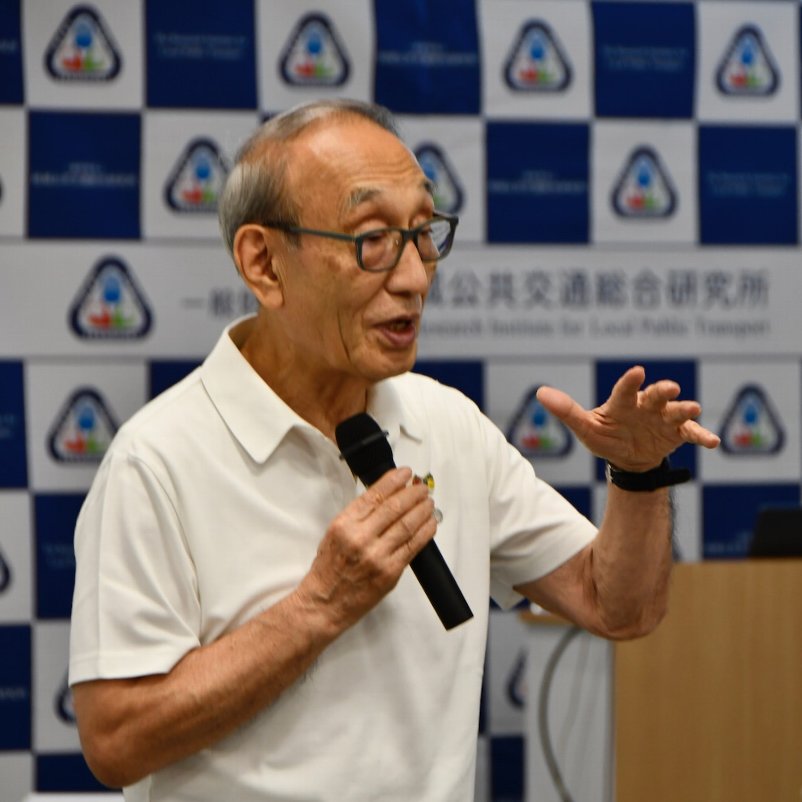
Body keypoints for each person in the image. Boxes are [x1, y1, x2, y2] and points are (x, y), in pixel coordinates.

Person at [69, 98, 720, 802]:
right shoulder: (158, 461)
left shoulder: (448, 424)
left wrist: (639, 475)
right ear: (264, 263)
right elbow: (117, 740)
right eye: (372, 238)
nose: (414, 277)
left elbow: (615, 605)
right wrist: (318, 605)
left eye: (422, 233)